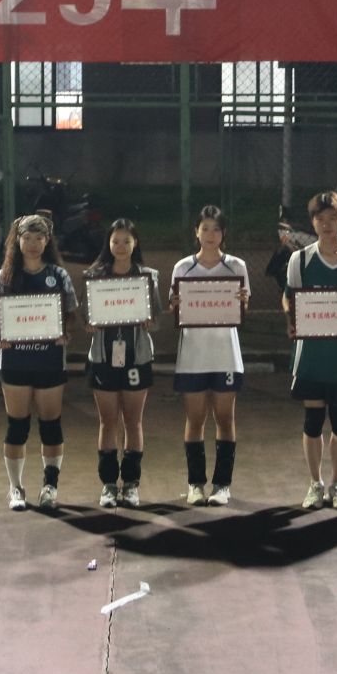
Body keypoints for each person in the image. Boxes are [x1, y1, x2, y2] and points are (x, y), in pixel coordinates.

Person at [0, 213, 78, 510]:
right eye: (27, 238)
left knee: (50, 425)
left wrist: (64, 331)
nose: (33, 244)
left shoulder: (58, 275)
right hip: (15, 360)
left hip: (49, 360)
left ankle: (50, 486)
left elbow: (70, 313)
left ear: (48, 241)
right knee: (17, 425)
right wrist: (1, 332)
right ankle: (16, 488)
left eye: (40, 238)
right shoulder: (4, 276)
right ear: (17, 241)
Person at [283, 191, 337, 510]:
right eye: (320, 218)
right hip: (311, 354)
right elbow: (289, 297)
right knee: (313, 419)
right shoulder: (301, 259)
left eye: (333, 217)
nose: (327, 224)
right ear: (313, 222)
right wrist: (291, 318)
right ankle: (315, 484)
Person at [168, 205, 252, 506]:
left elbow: (242, 309)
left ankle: (222, 485)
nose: (210, 234)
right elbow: (174, 307)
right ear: (196, 232)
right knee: (195, 419)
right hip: (193, 354)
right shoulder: (182, 268)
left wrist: (242, 302)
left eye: (216, 229)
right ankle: (195, 484)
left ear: (223, 233)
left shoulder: (237, 266)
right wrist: (177, 304)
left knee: (225, 418)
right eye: (205, 228)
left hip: (226, 354)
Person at [84, 219, 162, 508]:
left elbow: (157, 319)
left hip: (136, 357)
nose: (120, 246)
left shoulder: (147, 277)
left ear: (135, 243)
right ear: (108, 243)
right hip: (103, 357)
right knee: (107, 421)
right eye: (115, 241)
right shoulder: (95, 277)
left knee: (133, 421)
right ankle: (108, 484)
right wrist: (90, 325)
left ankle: (130, 484)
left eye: (126, 241)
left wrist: (149, 321)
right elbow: (86, 318)